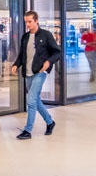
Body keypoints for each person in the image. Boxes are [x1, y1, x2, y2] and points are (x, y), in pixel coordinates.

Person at [11, 11, 63, 139]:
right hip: (28, 72)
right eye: (26, 22)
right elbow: (22, 54)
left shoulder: (46, 35)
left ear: (36, 20)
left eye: (30, 21)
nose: (28, 24)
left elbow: (57, 53)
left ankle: (27, 130)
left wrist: (48, 62)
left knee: (31, 101)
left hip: (40, 72)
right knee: (36, 100)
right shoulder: (25, 37)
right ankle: (50, 122)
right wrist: (16, 65)